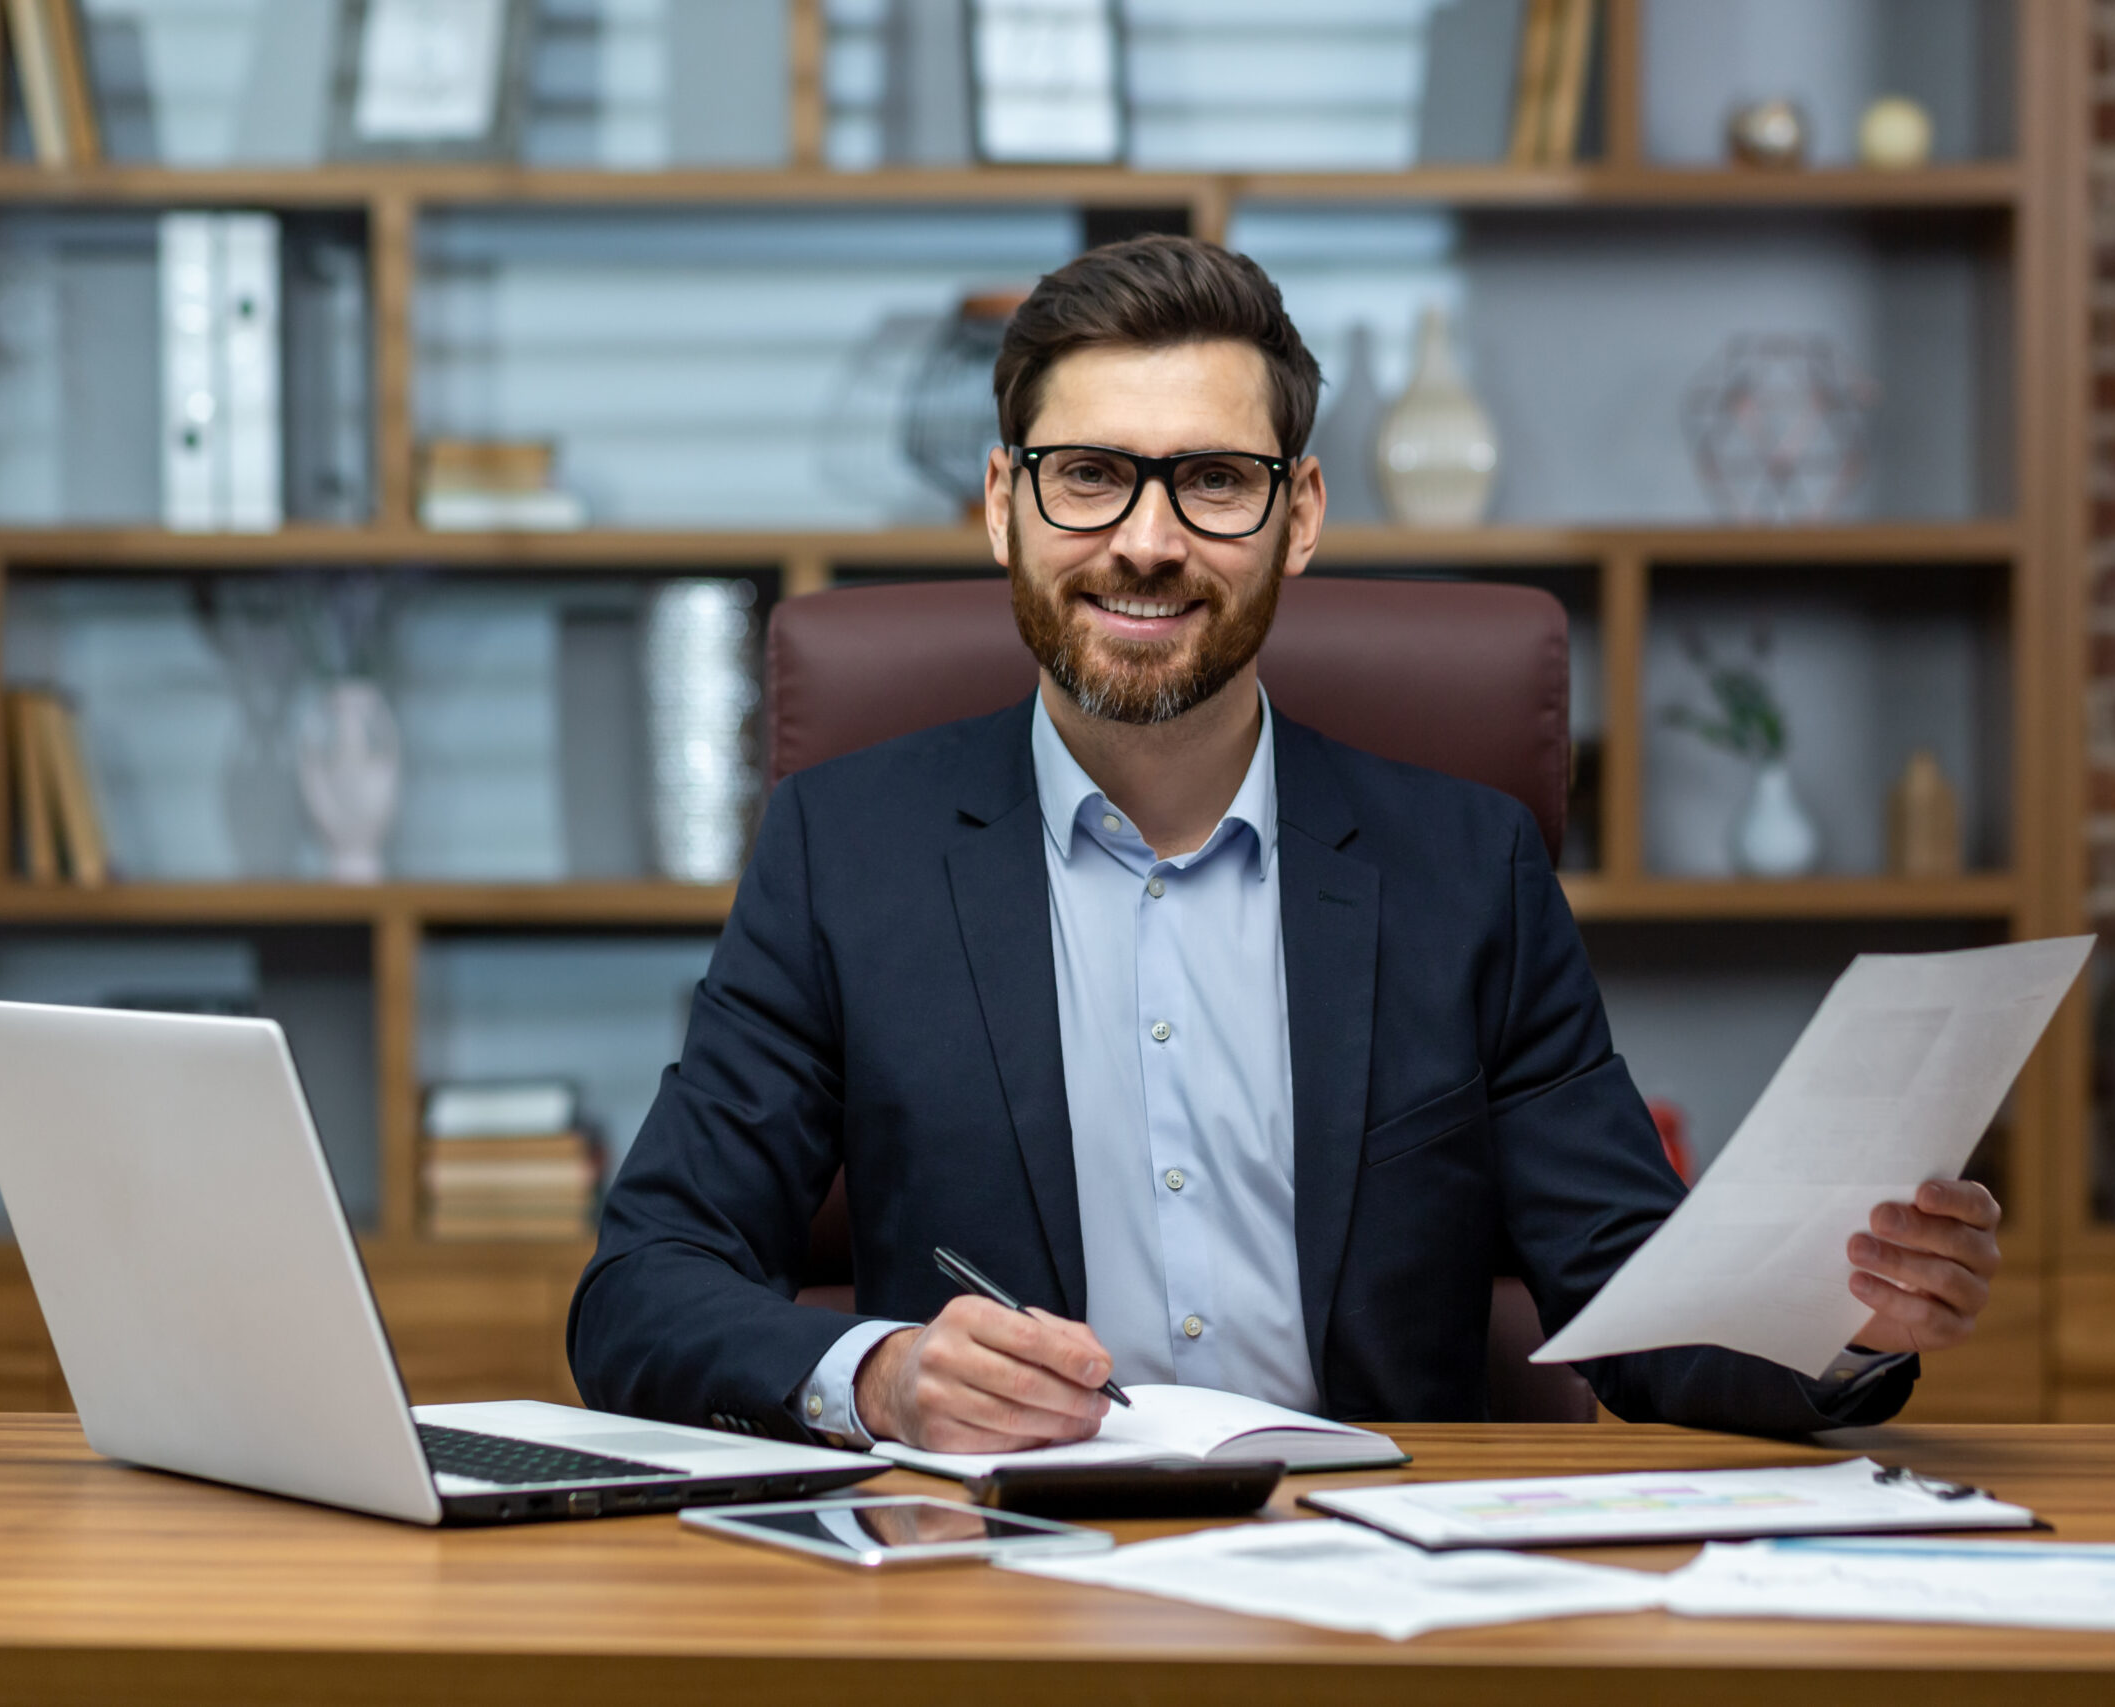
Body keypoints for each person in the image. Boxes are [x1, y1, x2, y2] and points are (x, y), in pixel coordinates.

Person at [568, 235, 2002, 1451]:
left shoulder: (1467, 869)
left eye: (1215, 481)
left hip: (1380, 1578)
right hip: (1003, 1582)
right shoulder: (847, 855)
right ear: (1003, 509)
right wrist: (881, 1378)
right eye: (1088, 476)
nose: (1146, 540)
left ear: (1297, 516)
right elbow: (643, 1286)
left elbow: (1638, 1305)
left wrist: (1838, 1331)